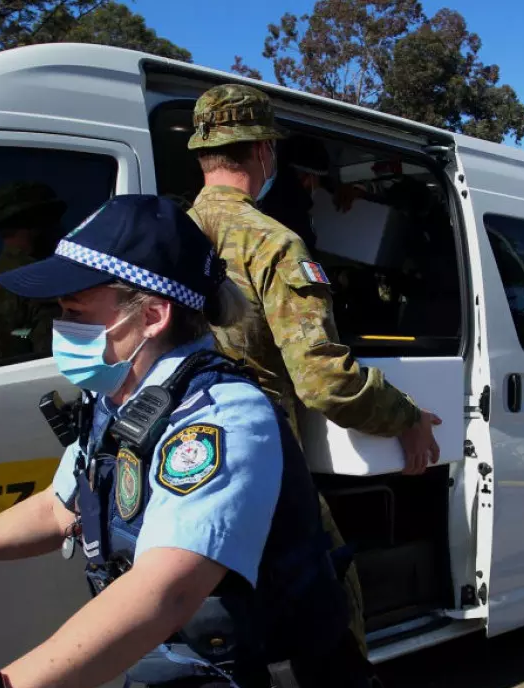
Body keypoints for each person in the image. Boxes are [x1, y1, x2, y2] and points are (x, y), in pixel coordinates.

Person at [0, 194, 386, 688]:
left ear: (151, 315)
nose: (60, 328)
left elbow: (166, 590)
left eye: (75, 310)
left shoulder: (220, 415)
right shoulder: (118, 400)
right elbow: (60, 506)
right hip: (183, 687)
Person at [185, 84, 443, 655]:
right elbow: (324, 379)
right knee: (329, 600)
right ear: (262, 154)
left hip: (182, 456)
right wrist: (406, 415)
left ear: (206, 153)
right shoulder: (272, 242)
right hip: (261, 457)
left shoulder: (169, 235)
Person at [0, 182, 67, 364]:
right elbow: (54, 362)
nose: (61, 230)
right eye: (53, 221)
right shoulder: (40, 283)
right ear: (35, 226)